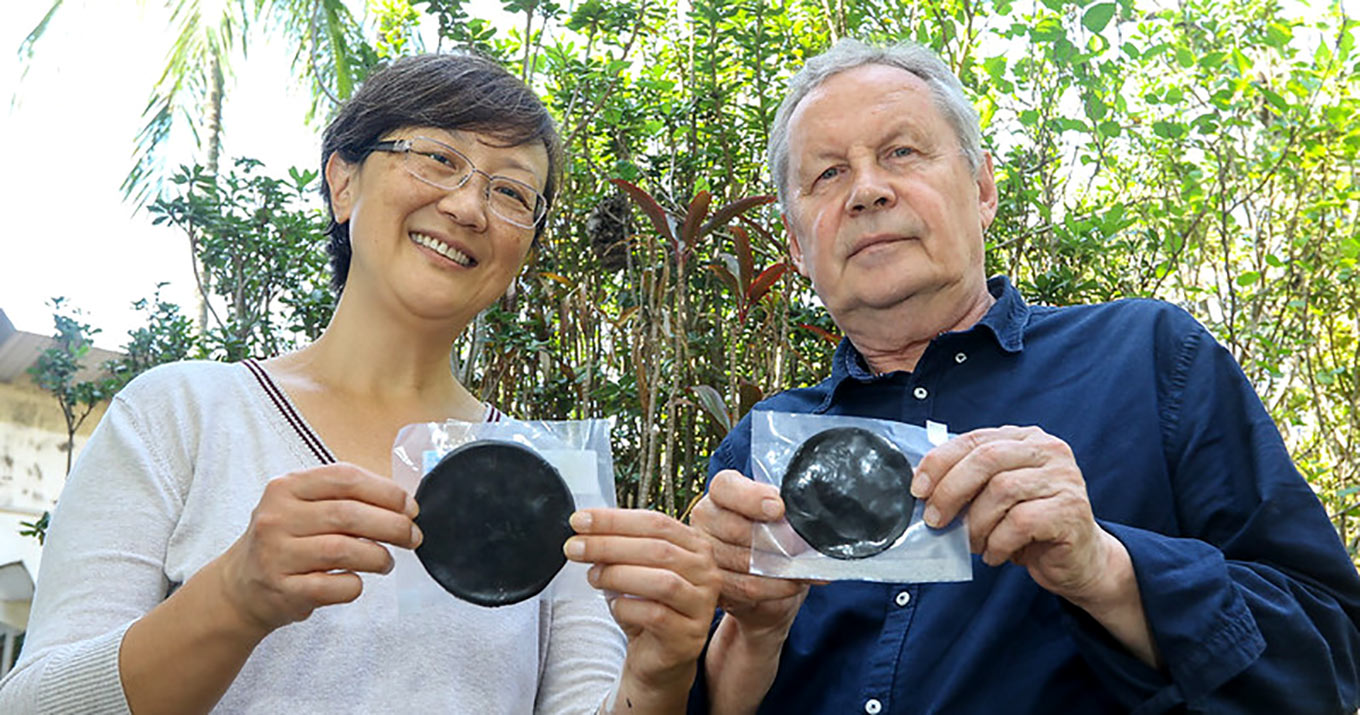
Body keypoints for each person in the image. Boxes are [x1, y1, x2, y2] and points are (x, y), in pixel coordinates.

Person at [0, 52, 719, 714]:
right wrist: (231, 597)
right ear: (344, 181)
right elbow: (34, 701)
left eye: (510, 193)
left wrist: (655, 678)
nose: (469, 207)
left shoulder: (551, 477)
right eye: (440, 158)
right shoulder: (180, 414)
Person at [689, 38, 1360, 714]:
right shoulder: (758, 456)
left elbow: (1330, 656)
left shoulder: (1150, 358)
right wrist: (752, 628)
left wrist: (1107, 569)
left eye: (900, 152)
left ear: (982, 188)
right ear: (798, 245)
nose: (867, 190)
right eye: (829, 173)